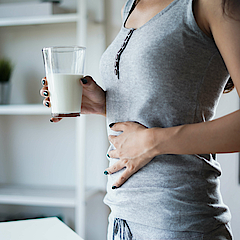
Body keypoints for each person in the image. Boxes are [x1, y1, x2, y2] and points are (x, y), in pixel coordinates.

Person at [40, 0, 240, 239]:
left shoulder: (212, 4)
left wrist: (153, 141)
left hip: (179, 224)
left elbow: (151, 136)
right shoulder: (131, 6)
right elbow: (163, 109)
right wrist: (105, 105)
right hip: (120, 222)